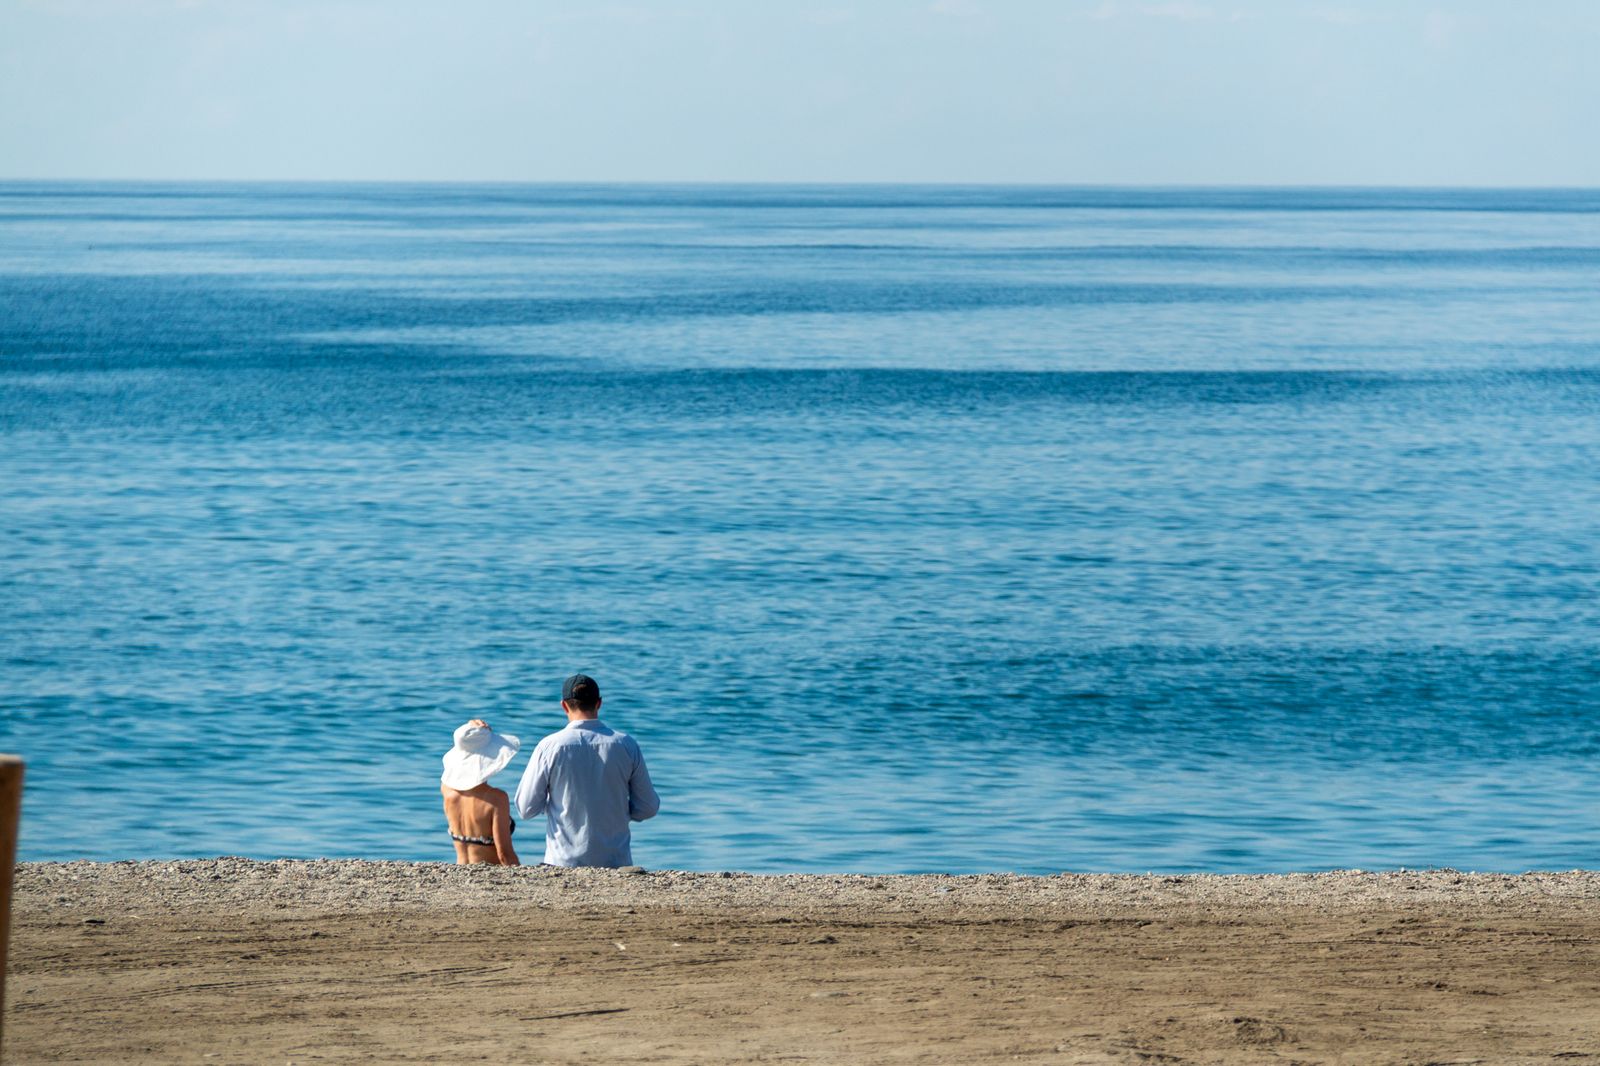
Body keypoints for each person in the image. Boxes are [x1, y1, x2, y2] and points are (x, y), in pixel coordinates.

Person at [514, 674, 659, 868]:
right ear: (599, 703)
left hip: (562, 863)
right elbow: (648, 807)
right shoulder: (626, 744)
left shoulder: (550, 746)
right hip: (615, 862)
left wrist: (553, 803)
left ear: (564, 706)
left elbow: (525, 808)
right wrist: (618, 811)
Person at [440, 718, 520, 866]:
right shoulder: (496, 799)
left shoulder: (447, 790)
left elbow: (465, 740)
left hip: (460, 869)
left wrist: (471, 729)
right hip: (489, 874)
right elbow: (504, 855)